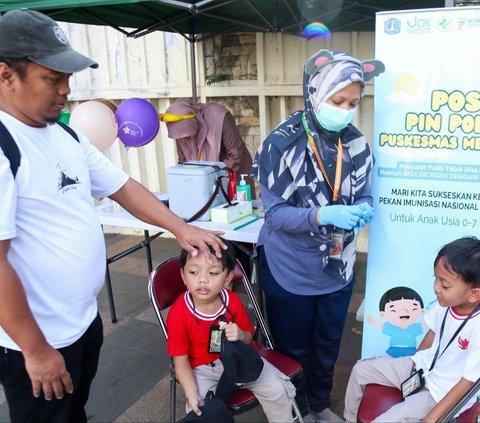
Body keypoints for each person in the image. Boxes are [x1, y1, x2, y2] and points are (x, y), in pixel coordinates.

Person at [0, 9, 226, 423]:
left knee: (75, 414)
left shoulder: (64, 134)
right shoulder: (3, 145)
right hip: (36, 342)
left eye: (68, 77)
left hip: (83, 323)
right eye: (53, 78)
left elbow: (122, 187)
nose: (67, 89)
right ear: (5, 75)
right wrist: (35, 350)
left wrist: (179, 227)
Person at [251, 49, 385, 422]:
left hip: (337, 266)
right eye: (337, 100)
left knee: (327, 344)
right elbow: (274, 215)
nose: (345, 109)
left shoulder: (356, 143)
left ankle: (320, 403)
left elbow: (366, 190)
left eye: (353, 102)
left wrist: (365, 206)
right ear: (314, 92)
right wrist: (323, 214)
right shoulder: (282, 144)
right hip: (290, 267)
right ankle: (296, 409)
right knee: (293, 347)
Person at [344, 236, 480, 422]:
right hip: (422, 369)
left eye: (445, 285)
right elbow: (432, 332)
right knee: (361, 370)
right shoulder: (446, 303)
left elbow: (467, 382)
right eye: (436, 279)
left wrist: (431, 418)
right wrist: (416, 366)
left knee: (386, 420)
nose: (436, 288)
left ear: (474, 294)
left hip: (440, 394)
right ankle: (349, 419)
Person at [167, 240, 296, 422]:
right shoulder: (178, 314)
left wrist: (240, 334)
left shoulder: (231, 301)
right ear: (183, 276)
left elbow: (248, 338)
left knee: (278, 389)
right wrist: (191, 394)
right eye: (193, 272)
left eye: (212, 273)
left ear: (227, 279)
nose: (202, 279)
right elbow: (180, 362)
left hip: (238, 357)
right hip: (202, 368)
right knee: (200, 410)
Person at [159, 98, 255, 196]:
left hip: (234, 172)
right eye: (181, 138)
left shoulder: (219, 116)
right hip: (204, 178)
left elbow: (235, 153)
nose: (184, 140)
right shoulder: (180, 132)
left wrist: (213, 179)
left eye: (186, 136)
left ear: (192, 121)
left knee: (238, 208)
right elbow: (183, 162)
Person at [367, 286, 427, 357]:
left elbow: (426, 324)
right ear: (383, 314)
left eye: (412, 308)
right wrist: (373, 321)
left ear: (421, 311)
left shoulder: (414, 327)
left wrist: (435, 318)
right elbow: (382, 326)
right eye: (394, 310)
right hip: (393, 349)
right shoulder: (391, 327)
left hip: (411, 350)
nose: (404, 311)